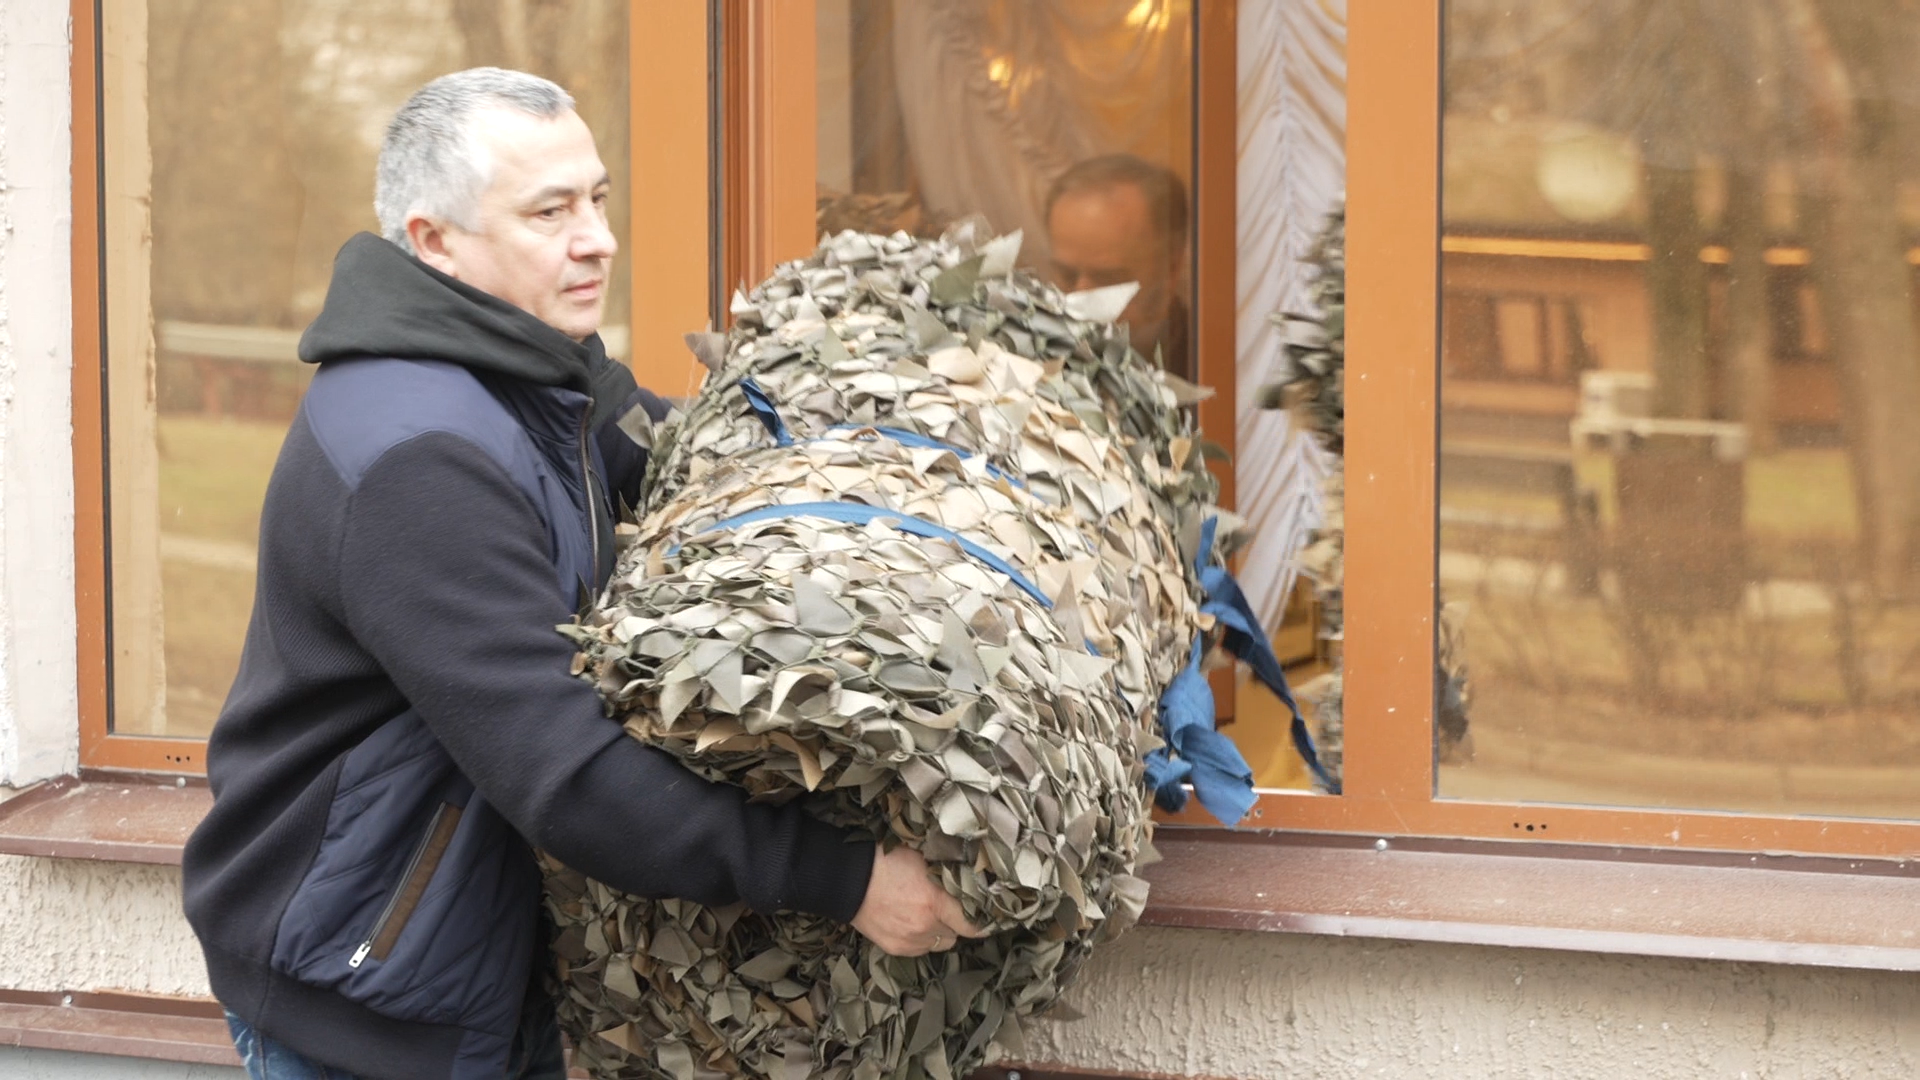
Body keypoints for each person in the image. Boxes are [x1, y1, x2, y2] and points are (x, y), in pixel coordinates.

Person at [182, 67, 980, 1080]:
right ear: (434, 242)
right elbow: (568, 774)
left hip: (476, 959)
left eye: (597, 198)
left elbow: (697, 472)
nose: (597, 236)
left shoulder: (540, 380)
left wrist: (897, 478)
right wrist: (849, 878)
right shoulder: (416, 457)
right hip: (369, 997)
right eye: (548, 210)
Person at [1043, 153, 1191, 371]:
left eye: (1107, 279)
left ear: (1169, 271)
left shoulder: (1211, 369)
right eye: (1067, 276)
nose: (1079, 301)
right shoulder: (1029, 358)